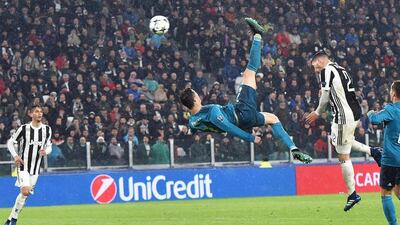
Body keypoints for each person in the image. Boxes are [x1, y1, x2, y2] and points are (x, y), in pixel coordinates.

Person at [180, 18, 312, 164]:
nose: (198, 95)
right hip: (241, 113)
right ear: (195, 99)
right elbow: (228, 128)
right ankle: (257, 35)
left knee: (273, 119)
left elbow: (193, 128)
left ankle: (294, 149)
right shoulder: (212, 113)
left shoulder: (192, 121)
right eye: (196, 94)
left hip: (244, 120)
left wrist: (187, 131)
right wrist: (251, 138)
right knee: (250, 71)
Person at [306, 51, 382, 211]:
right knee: (342, 141)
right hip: (353, 112)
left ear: (319, 61)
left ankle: (352, 194)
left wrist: (317, 112)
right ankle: (374, 151)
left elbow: (326, 96)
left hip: (343, 116)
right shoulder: (340, 68)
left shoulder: (326, 70)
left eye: (315, 66)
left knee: (343, 155)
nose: (315, 71)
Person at [4, 104, 52, 225]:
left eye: (41, 111)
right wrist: (15, 156)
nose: (40, 113)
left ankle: (10, 219)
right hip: (23, 166)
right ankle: (14, 220)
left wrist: (45, 151)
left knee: (24, 196)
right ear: (30, 114)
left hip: (35, 169)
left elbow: (49, 146)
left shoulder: (47, 129)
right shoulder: (24, 129)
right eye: (36, 111)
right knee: (25, 191)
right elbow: (10, 142)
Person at [368, 80, 400, 225]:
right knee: (398, 190)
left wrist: (370, 113)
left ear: (393, 93)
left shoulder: (391, 109)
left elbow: (374, 119)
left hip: (391, 160)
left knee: (386, 193)